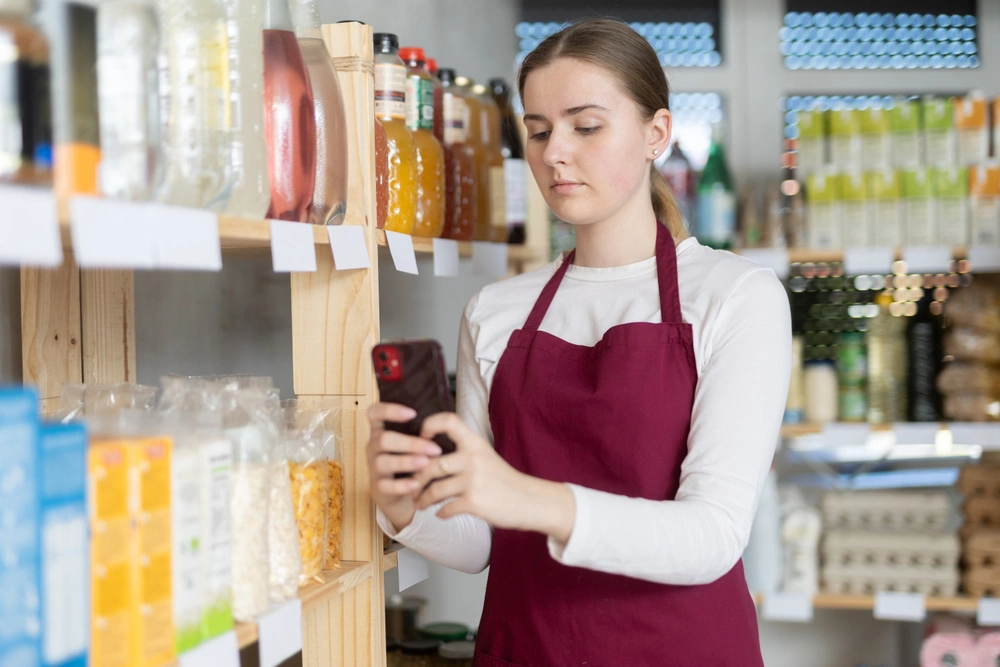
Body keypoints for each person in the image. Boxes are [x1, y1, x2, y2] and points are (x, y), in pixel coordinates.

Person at [367, 17, 790, 666]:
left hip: (681, 649)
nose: (554, 152)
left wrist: (527, 495)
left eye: (585, 126)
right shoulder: (495, 311)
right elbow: (482, 539)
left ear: (657, 134)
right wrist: (406, 506)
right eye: (537, 131)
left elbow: (713, 533)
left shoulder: (737, 296)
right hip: (526, 646)